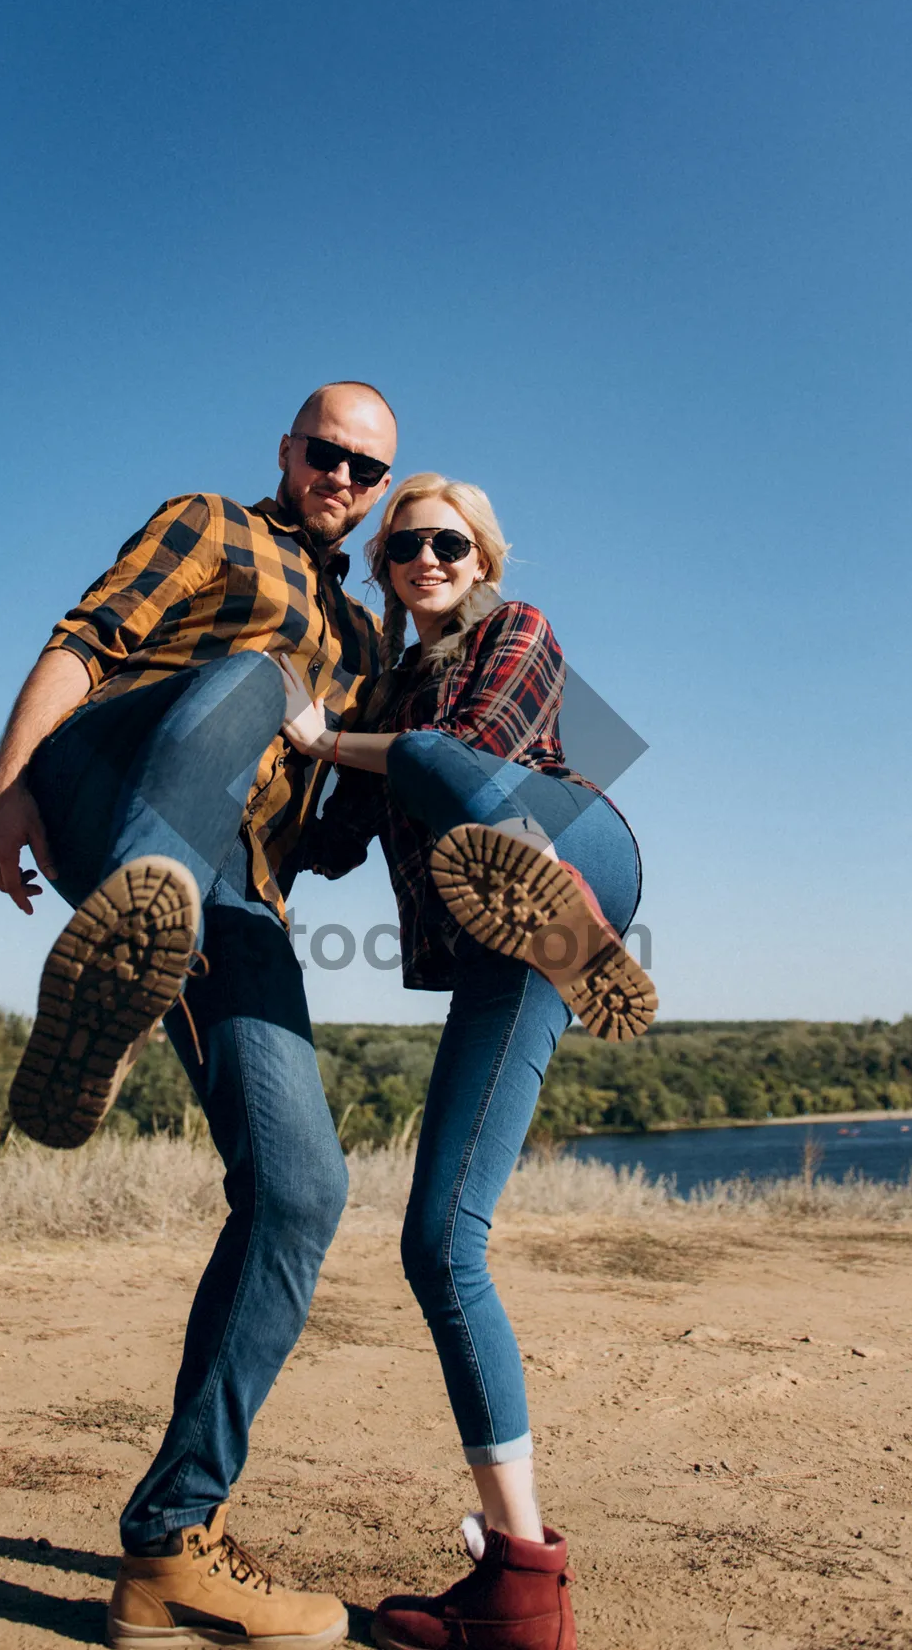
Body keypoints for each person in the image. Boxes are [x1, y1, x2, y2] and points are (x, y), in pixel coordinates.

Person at [0, 382, 397, 1650]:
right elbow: (85, 640)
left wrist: (453, 776)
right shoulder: (217, 525)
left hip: (234, 889)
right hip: (112, 779)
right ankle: (132, 919)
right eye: (326, 454)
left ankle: (170, 1546)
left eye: (368, 471)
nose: (343, 480)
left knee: (303, 1191)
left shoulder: (372, 646)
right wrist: (1, 797)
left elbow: (325, 846)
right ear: (288, 452)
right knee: (259, 678)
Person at [279, 472, 657, 1650]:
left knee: (440, 757)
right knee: (439, 1241)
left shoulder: (518, 631)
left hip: (577, 844)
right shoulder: (388, 686)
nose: (426, 559)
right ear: (387, 571)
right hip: (504, 937)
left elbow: (475, 751)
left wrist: (329, 735)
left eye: (447, 542)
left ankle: (578, 924)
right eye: (405, 549)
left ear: (482, 556)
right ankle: (521, 1580)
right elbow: (334, 840)